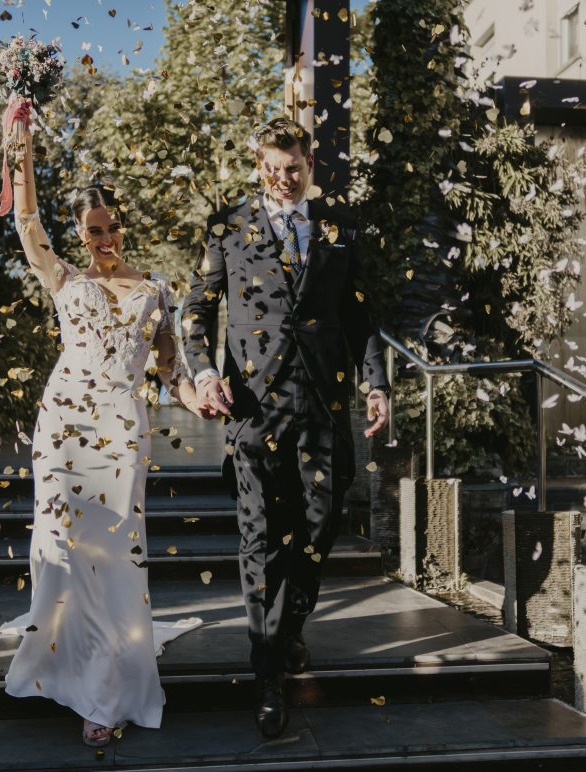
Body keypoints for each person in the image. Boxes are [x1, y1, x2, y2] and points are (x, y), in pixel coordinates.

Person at [0, 98, 203, 747]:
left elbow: (172, 368)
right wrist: (18, 148)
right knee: (58, 555)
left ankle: (106, 692)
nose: (104, 240)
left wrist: (206, 398)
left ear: (124, 226)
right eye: (92, 231)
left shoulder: (155, 290)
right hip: (63, 424)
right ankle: (61, 665)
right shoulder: (63, 279)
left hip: (121, 429)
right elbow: (25, 219)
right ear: (81, 235)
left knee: (113, 561)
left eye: (111, 228)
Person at [181, 117, 390, 738]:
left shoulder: (341, 226)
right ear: (257, 163)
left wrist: (376, 383)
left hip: (325, 402)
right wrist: (202, 375)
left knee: (321, 524)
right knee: (260, 536)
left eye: (292, 167)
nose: (282, 179)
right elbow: (195, 309)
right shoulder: (226, 226)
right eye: (271, 169)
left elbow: (362, 313)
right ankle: (267, 673)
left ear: (309, 162)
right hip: (253, 404)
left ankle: (291, 623)